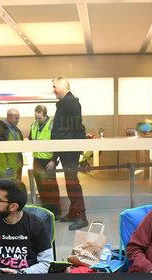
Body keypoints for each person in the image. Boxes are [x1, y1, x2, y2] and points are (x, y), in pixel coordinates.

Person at [48, 76, 88, 231]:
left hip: (69, 150)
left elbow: (69, 131)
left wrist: (54, 156)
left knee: (73, 183)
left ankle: (82, 217)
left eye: (54, 86)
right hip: (67, 150)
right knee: (70, 182)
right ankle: (73, 213)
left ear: (62, 86)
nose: (53, 90)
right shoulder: (66, 103)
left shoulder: (70, 103)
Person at [29, 104, 60, 217]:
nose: (37, 120)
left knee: (51, 188)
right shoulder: (33, 125)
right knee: (41, 187)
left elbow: (58, 145)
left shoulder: (52, 125)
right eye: (36, 117)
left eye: (39, 118)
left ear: (45, 115)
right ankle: (46, 211)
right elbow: (31, 138)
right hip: (37, 160)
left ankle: (55, 212)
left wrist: (54, 161)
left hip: (48, 161)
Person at [0, 108, 23, 181]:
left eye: (18, 118)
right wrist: (6, 167)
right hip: (7, 168)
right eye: (16, 118)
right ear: (9, 117)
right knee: (8, 187)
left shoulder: (15, 129)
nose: (18, 120)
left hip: (17, 166)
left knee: (17, 186)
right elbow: (0, 151)